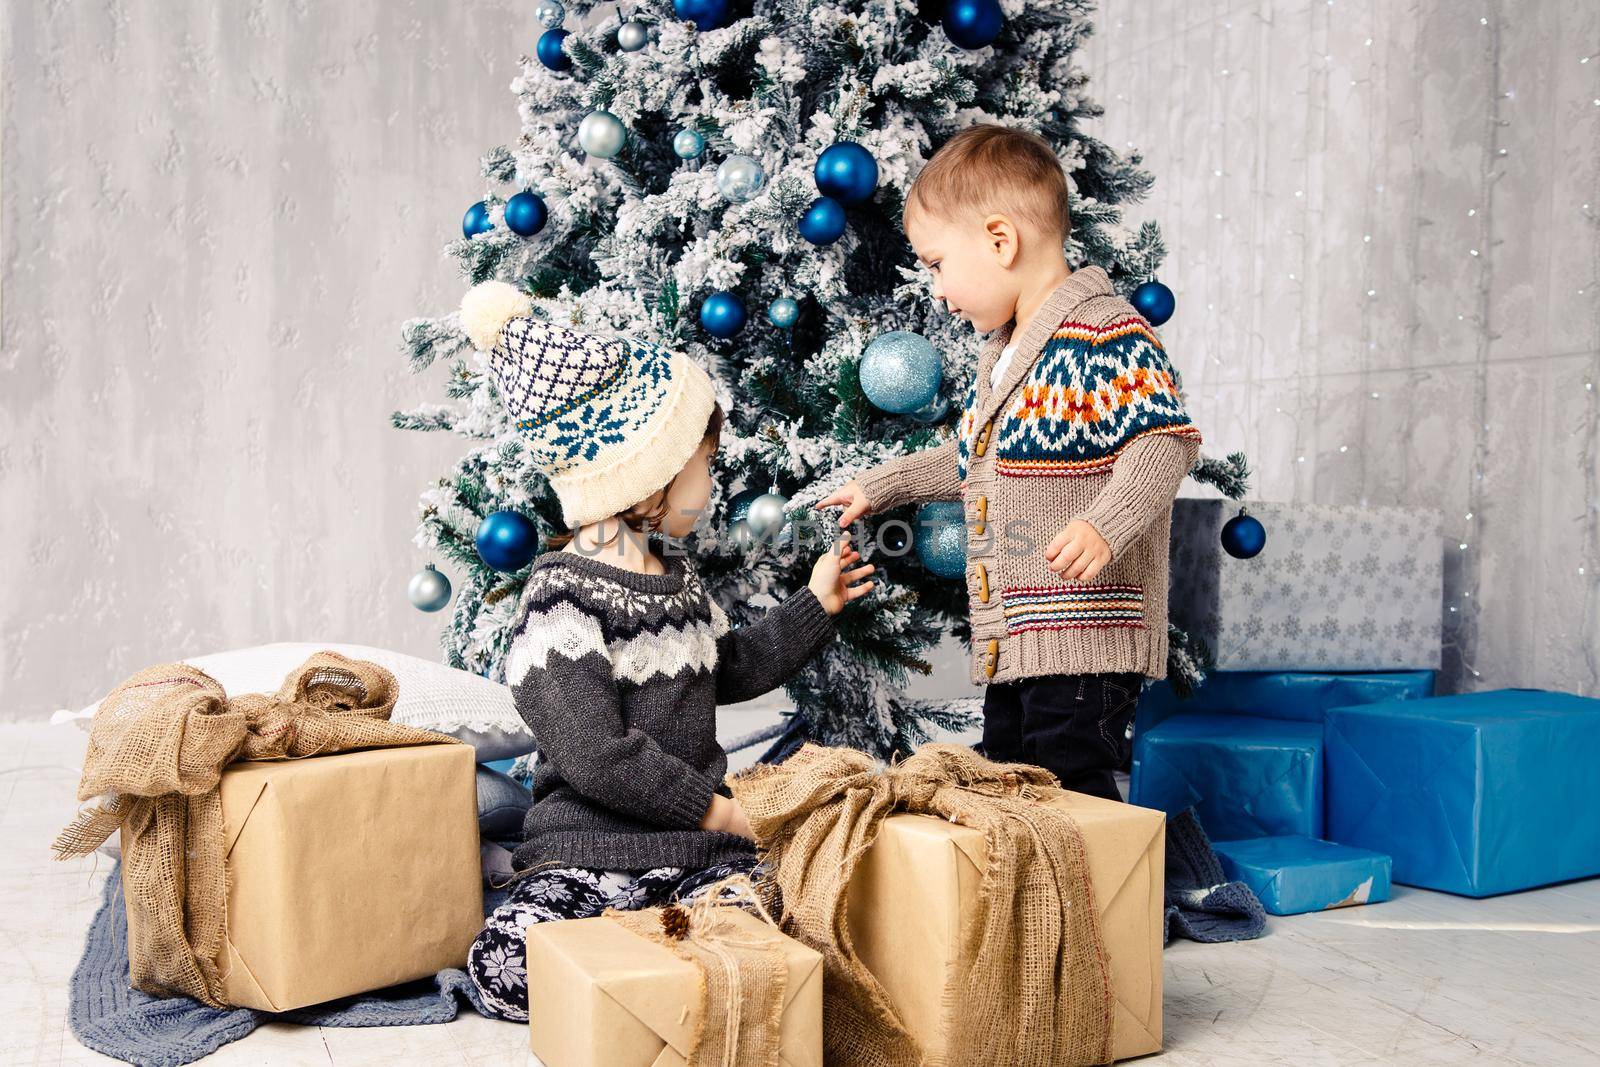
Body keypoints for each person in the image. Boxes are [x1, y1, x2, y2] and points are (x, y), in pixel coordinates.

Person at [455, 280, 876, 1021]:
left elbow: (732, 665)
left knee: (777, 929)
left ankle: (658, 965)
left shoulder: (676, 581)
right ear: (646, 475)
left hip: (694, 858)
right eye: (703, 467)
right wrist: (719, 812)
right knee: (506, 962)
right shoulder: (561, 602)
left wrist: (817, 606)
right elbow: (596, 753)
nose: (711, 485)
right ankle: (630, 965)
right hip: (587, 855)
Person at [815, 123, 1203, 802]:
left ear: (1001, 240)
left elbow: (1162, 442)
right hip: (1019, 640)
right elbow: (973, 457)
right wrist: (882, 486)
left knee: (1071, 780)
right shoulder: (1006, 352)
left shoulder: (1103, 333)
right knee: (1009, 776)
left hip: (1085, 634)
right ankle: (1032, 901)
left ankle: (1095, 902)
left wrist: (1104, 524)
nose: (935, 290)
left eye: (936, 264)